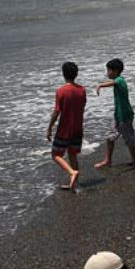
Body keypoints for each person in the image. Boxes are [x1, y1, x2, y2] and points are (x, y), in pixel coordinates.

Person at [47, 62, 88, 190]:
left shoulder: (61, 91)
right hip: (77, 128)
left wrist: (49, 128)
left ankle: (72, 173)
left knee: (55, 154)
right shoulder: (82, 90)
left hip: (65, 129)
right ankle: (75, 184)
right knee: (73, 155)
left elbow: (56, 112)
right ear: (76, 74)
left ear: (63, 74)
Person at [94, 58, 135, 169]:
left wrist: (100, 85)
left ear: (115, 71)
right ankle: (108, 160)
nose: (107, 73)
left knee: (129, 139)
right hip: (118, 115)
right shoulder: (119, 80)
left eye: (109, 70)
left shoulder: (120, 80)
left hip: (125, 116)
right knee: (110, 137)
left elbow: (113, 82)